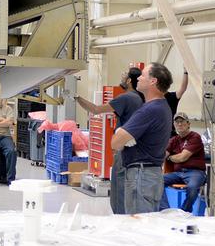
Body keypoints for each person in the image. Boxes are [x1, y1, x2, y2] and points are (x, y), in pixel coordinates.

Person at [70, 67, 144, 214]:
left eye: (124, 75)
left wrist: (77, 97)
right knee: (127, 191)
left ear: (129, 80)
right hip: (136, 152)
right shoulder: (138, 98)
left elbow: (96, 109)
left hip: (124, 153)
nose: (121, 77)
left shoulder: (126, 98)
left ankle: (119, 221)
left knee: (118, 193)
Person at [111, 63, 174, 215]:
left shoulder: (149, 110)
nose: (138, 77)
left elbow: (115, 143)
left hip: (141, 177)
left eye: (143, 75)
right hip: (151, 175)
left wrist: (120, 132)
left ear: (153, 81)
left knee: (138, 229)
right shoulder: (163, 107)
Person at [158, 113, 206, 212]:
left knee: (192, 188)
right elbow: (162, 156)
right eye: (177, 122)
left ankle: (185, 211)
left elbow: (182, 158)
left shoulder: (195, 137)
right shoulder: (174, 140)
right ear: (174, 125)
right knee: (157, 180)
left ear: (188, 124)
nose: (179, 124)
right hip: (179, 173)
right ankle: (165, 210)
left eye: (182, 122)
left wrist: (170, 158)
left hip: (195, 172)